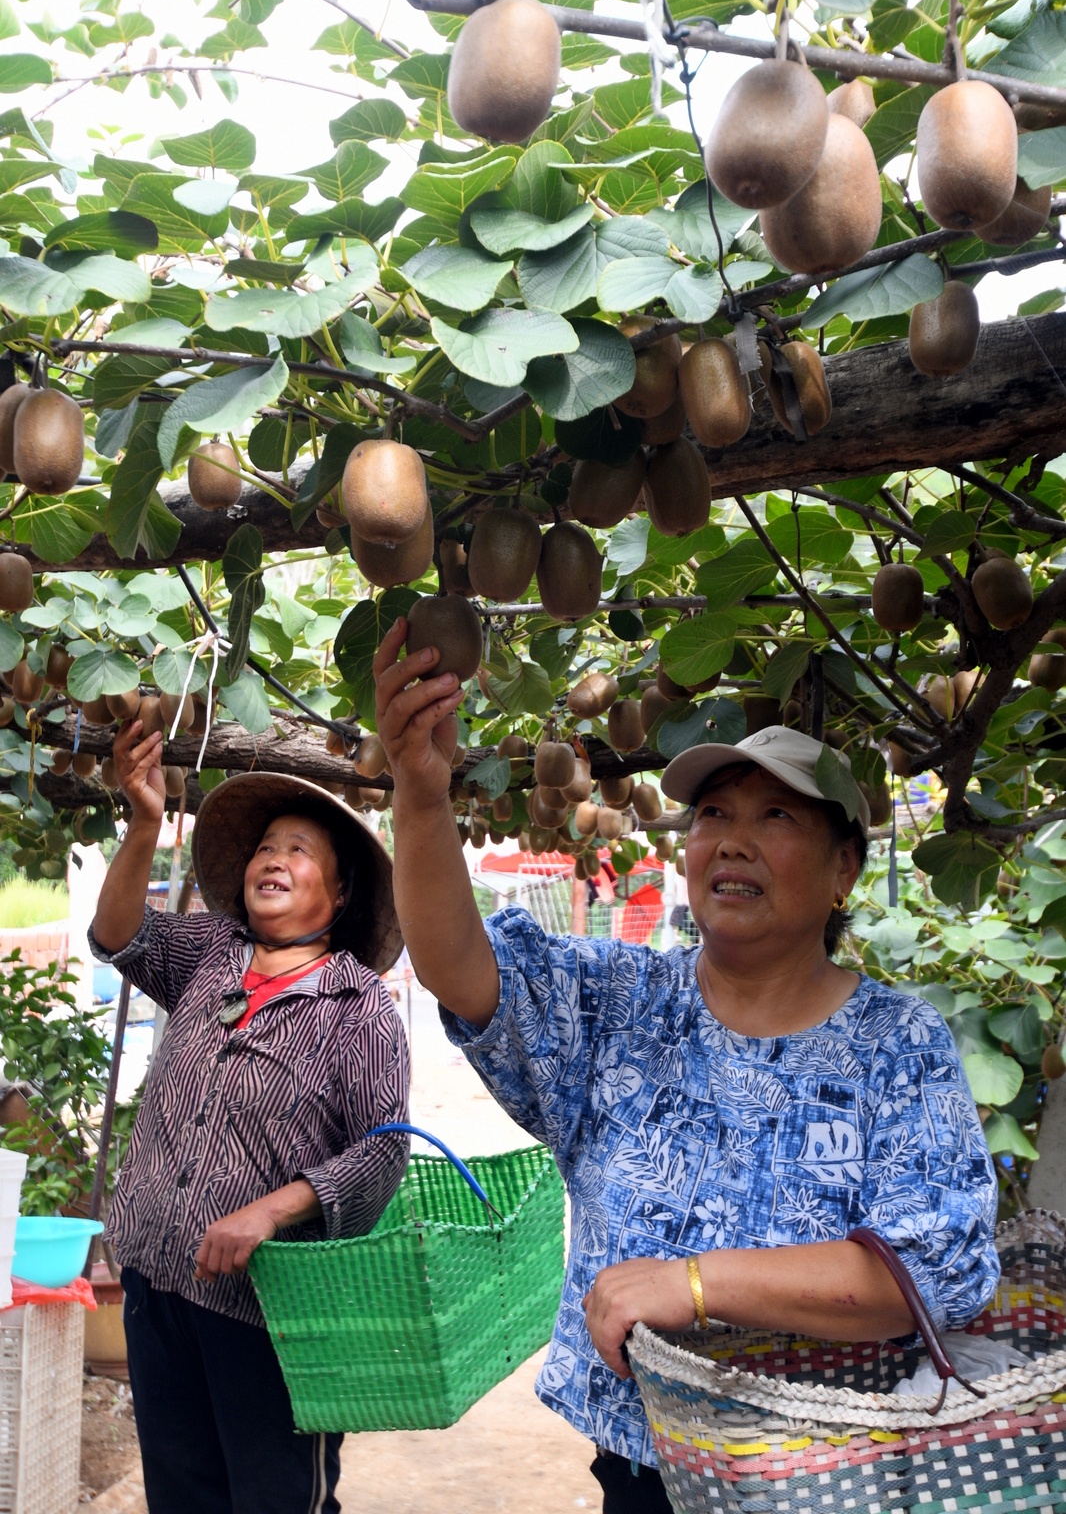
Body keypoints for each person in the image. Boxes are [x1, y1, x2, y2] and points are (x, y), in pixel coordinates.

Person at [373, 621, 999, 1514]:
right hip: (644, 1468)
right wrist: (422, 798)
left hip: (832, 1480)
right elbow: (460, 968)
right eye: (714, 815)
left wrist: (693, 1285)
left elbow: (932, 1269)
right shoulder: (620, 1002)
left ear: (844, 872)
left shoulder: (898, 1045)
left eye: (776, 816)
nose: (733, 841)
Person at [90, 717, 410, 1514]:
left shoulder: (358, 1005)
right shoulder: (210, 953)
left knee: (277, 1500)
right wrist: (144, 824)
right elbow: (118, 935)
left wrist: (269, 1210)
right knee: (181, 1494)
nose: (274, 858)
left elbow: (382, 1152)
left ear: (339, 894)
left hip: (271, 1311)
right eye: (267, 846)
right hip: (158, 1279)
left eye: (299, 850)